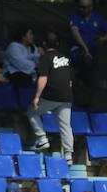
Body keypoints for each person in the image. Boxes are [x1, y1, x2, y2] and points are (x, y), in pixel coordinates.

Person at [26, 32, 73, 161]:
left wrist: (36, 97)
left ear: (44, 44)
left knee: (31, 111)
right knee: (65, 126)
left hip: (51, 95)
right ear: (57, 44)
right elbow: (69, 81)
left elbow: (43, 78)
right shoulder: (65, 58)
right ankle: (68, 156)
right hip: (66, 96)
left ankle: (42, 139)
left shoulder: (45, 58)